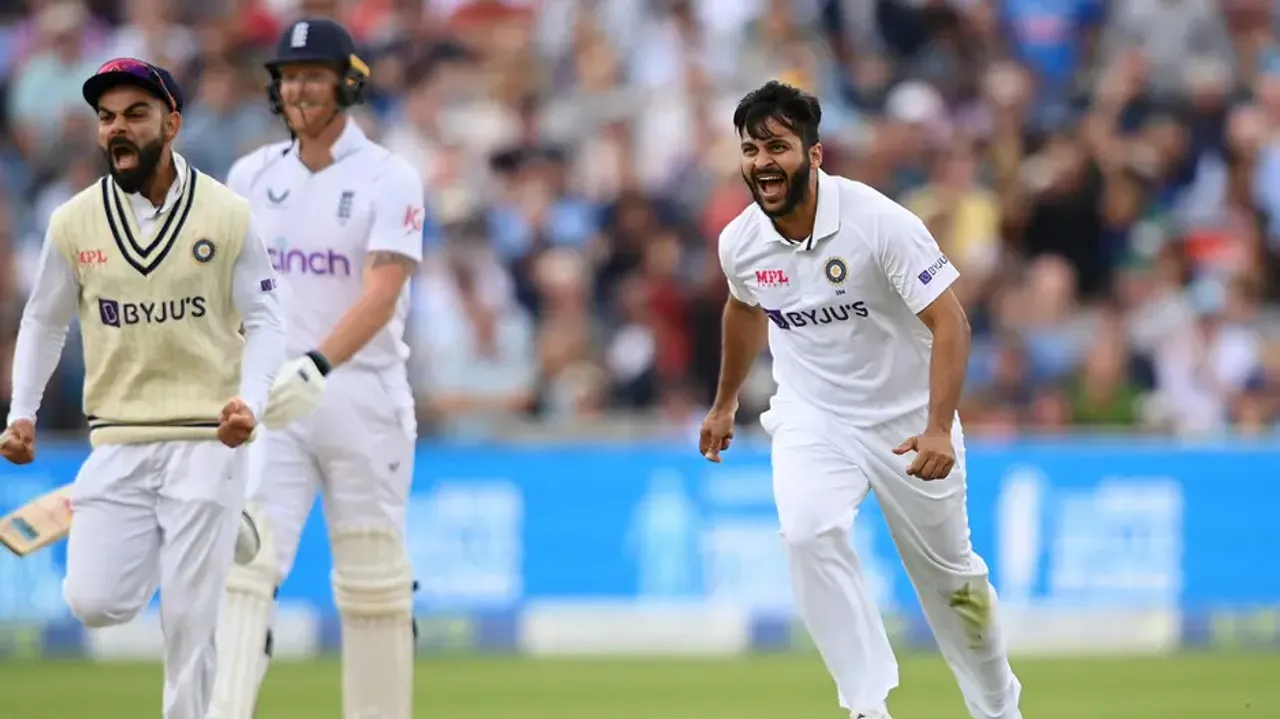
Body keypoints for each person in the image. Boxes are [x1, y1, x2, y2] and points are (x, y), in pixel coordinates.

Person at [698, 81, 1023, 719]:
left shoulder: (880, 223)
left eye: (778, 146)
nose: (763, 161)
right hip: (814, 416)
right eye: (751, 148)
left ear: (814, 155)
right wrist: (725, 401)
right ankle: (867, 705)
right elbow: (743, 309)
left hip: (907, 424)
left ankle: (998, 709)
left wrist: (935, 427)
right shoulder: (740, 242)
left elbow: (951, 322)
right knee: (807, 531)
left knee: (953, 583)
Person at [0, 58, 286, 719]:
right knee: (95, 602)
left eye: (135, 114)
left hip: (208, 435)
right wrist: (23, 413)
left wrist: (253, 400)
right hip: (120, 438)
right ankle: (225, 527)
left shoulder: (226, 213)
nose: (117, 129)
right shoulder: (73, 222)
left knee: (189, 621)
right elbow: (43, 320)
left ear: (172, 123)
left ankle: (214, 524)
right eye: (106, 118)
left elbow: (269, 317)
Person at [209, 18, 425, 719]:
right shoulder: (250, 174)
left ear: (348, 82)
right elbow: (232, 292)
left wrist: (317, 363)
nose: (298, 87)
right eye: (288, 75)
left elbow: (382, 287)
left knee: (372, 583)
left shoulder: (389, 177)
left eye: (313, 74)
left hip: (361, 394)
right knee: (244, 564)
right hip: (274, 400)